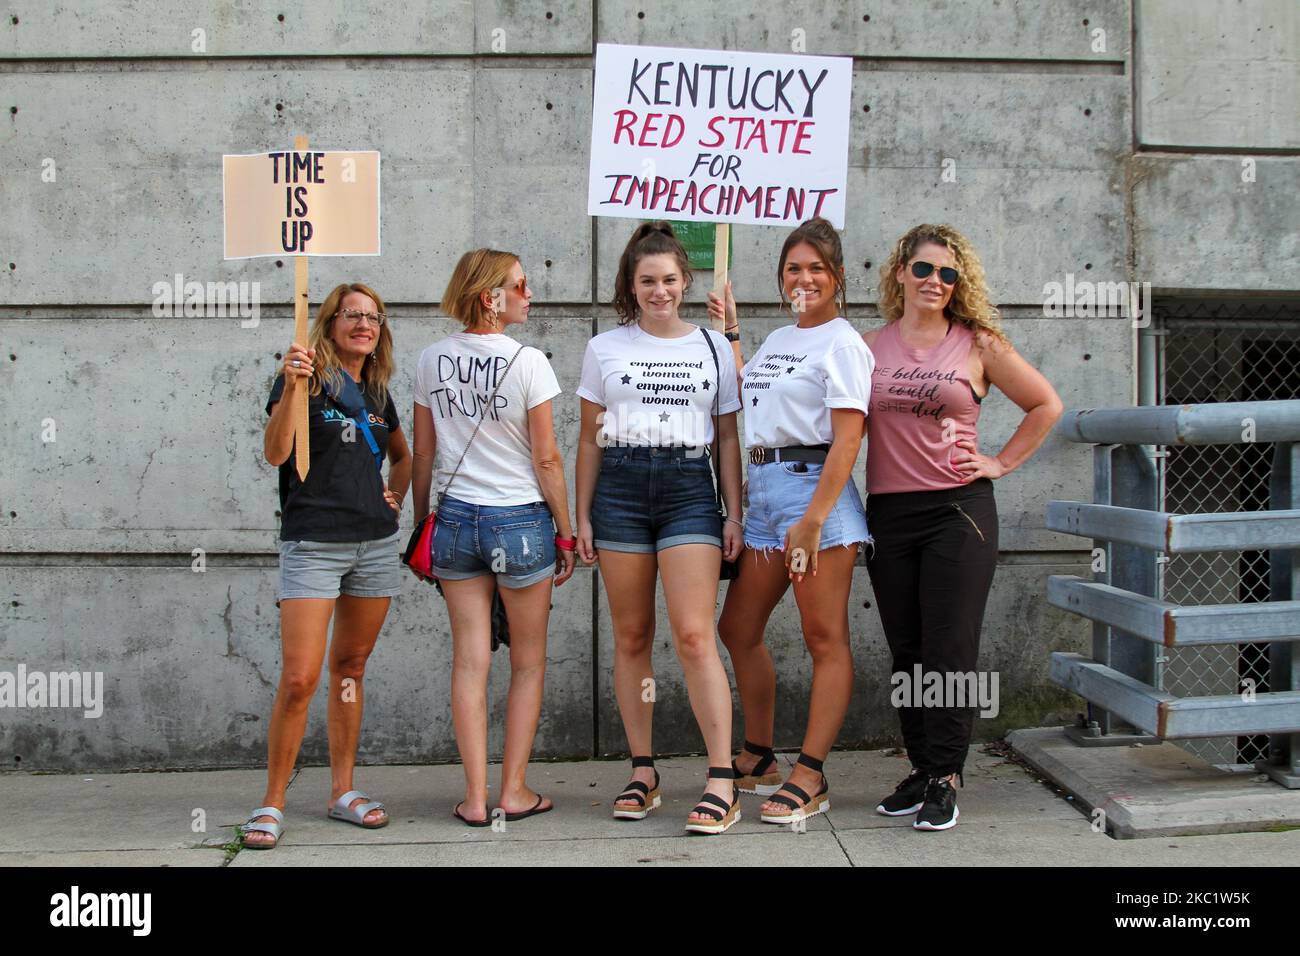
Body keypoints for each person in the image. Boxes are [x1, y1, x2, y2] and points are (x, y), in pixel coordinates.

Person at [866, 224, 1062, 831]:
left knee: (949, 650)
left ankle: (948, 774)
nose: (935, 282)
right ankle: (923, 767)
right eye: (924, 269)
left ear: (958, 284)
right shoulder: (867, 346)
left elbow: (1046, 404)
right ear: (900, 272)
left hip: (958, 512)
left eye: (948, 274)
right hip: (890, 513)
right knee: (909, 650)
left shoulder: (977, 344)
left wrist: (1000, 462)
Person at [575, 222, 745, 834]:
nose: (660, 290)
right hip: (619, 486)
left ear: (685, 282)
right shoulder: (606, 348)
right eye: (647, 280)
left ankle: (722, 777)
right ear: (630, 284)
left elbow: (728, 434)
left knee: (695, 636)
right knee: (631, 637)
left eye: (670, 279)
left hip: (688, 489)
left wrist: (733, 510)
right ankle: (642, 770)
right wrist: (583, 513)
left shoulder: (712, 346)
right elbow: (589, 439)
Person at [710, 217, 873, 825]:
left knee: (824, 637)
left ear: (836, 277)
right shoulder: (781, 339)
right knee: (738, 626)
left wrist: (814, 519)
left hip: (816, 501)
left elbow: (849, 440)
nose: (803, 278)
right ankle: (759, 753)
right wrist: (730, 329)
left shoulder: (844, 343)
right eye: (793, 269)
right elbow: (751, 389)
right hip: (767, 499)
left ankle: (811, 771)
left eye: (816, 268)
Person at [241, 283, 411, 849]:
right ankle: (272, 802)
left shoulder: (378, 390)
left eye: (373, 316)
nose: (364, 324)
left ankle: (342, 790)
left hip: (374, 544)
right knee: (299, 678)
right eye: (352, 315)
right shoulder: (302, 379)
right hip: (314, 542)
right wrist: (292, 385)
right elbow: (275, 452)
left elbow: (403, 456)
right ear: (331, 323)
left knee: (351, 669)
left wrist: (396, 494)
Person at [410, 249, 576, 826]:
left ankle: (476, 799)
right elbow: (548, 458)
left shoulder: (432, 360)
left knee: (469, 663)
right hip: (521, 521)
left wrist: (419, 525)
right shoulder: (530, 362)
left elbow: (424, 453)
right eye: (520, 286)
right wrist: (567, 531)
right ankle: (514, 791)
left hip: (454, 522)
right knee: (527, 664)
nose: (530, 295)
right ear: (491, 297)